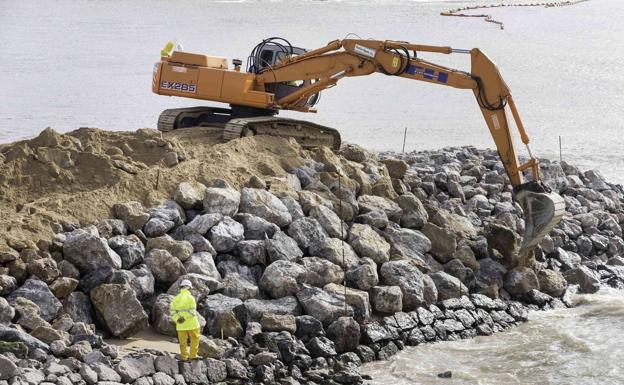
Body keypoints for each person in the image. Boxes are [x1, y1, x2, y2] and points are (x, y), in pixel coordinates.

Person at [170, 280, 201, 361]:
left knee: (182, 343)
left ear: (181, 287)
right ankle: (192, 356)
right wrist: (185, 317)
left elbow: (172, 312)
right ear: (189, 288)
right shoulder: (191, 298)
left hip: (181, 325)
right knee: (195, 339)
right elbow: (192, 312)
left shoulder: (175, 299)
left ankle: (184, 357)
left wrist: (178, 318)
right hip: (193, 324)